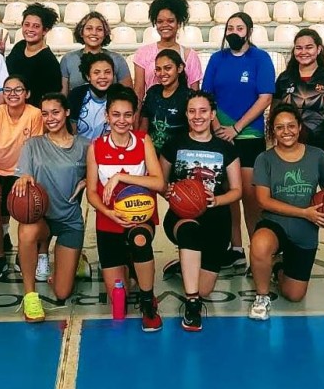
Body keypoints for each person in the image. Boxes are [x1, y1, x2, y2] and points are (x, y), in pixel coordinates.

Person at [248, 104, 324, 320]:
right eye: (279, 127)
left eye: (291, 126)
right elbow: (263, 200)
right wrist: (304, 212)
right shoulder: (264, 159)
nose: (286, 132)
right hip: (274, 224)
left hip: (304, 232)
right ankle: (261, 298)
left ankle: (278, 267)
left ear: (299, 127)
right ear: (272, 131)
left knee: (294, 294)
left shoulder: (316, 156)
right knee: (260, 244)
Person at [274, 29, 324, 283]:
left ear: (319, 49)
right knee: (292, 205)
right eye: (299, 47)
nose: (304, 52)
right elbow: (276, 117)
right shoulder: (285, 78)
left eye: (309, 47)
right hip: (291, 153)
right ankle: (287, 256)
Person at [85, 85, 167, 332]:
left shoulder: (143, 141)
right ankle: (131, 265)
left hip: (140, 217)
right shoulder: (96, 147)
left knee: (140, 239)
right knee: (117, 295)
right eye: (116, 114)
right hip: (109, 220)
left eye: (127, 115)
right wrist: (108, 212)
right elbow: (90, 192)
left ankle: (147, 302)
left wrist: (121, 177)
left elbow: (158, 181)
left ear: (134, 116)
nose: (122, 120)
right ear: (107, 116)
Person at [159, 91, 242, 331]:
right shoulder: (174, 144)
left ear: (213, 114)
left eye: (203, 111)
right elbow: (161, 183)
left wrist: (217, 199)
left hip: (216, 217)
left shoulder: (225, 148)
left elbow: (237, 190)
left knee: (205, 288)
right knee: (190, 236)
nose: (198, 116)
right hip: (182, 215)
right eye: (192, 111)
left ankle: (183, 265)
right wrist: (171, 193)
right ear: (186, 114)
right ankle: (192, 305)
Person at [202, 12, 275, 268]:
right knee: (229, 195)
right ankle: (236, 248)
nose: (234, 32)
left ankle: (258, 249)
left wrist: (236, 127)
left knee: (250, 197)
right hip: (220, 136)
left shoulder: (260, 59)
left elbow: (265, 97)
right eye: (230, 27)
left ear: (249, 31)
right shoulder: (216, 59)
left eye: (239, 28)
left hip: (249, 137)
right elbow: (206, 96)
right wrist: (218, 128)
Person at [12, 93, 91, 322]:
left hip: (69, 221)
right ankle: (30, 295)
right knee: (26, 230)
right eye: (44, 114)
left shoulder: (85, 146)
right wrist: (23, 178)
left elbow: (101, 174)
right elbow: (25, 173)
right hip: (42, 219)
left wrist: (88, 180)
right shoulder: (32, 145)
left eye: (55, 112)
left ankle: (77, 262)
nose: (50, 118)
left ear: (66, 112)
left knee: (62, 292)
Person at [0, 75, 43, 280]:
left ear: (27, 94)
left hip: (21, 170)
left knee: (27, 209)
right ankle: (0, 256)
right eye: (8, 90)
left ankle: (25, 254)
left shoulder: (35, 114)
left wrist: (28, 176)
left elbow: (35, 150)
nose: (12, 94)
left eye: (18, 89)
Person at [133, 0, 202, 103]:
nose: (165, 25)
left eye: (170, 21)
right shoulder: (143, 53)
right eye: (160, 21)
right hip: (151, 115)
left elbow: (195, 95)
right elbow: (139, 92)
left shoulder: (190, 56)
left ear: (179, 23)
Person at [5, 3, 62, 108]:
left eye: (36, 26)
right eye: (27, 25)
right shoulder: (19, 46)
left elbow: (50, 97)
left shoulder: (49, 61)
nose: (30, 29)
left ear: (45, 30)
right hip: (12, 107)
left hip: (34, 113)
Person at [60, 11, 132, 94]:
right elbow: (63, 97)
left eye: (99, 29)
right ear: (81, 32)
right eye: (89, 28)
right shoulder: (68, 59)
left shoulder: (117, 59)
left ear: (105, 34)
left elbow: (128, 95)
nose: (94, 33)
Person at [140, 49, 190, 154]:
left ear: (180, 68)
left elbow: (193, 131)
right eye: (158, 69)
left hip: (178, 154)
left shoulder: (189, 96)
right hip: (152, 154)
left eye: (167, 68)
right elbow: (144, 127)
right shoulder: (152, 92)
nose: (162, 73)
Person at [68, 52, 114, 140]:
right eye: (97, 73)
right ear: (88, 76)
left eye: (107, 72)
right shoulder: (77, 95)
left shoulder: (118, 95)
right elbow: (71, 132)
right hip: (80, 149)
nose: (103, 76)